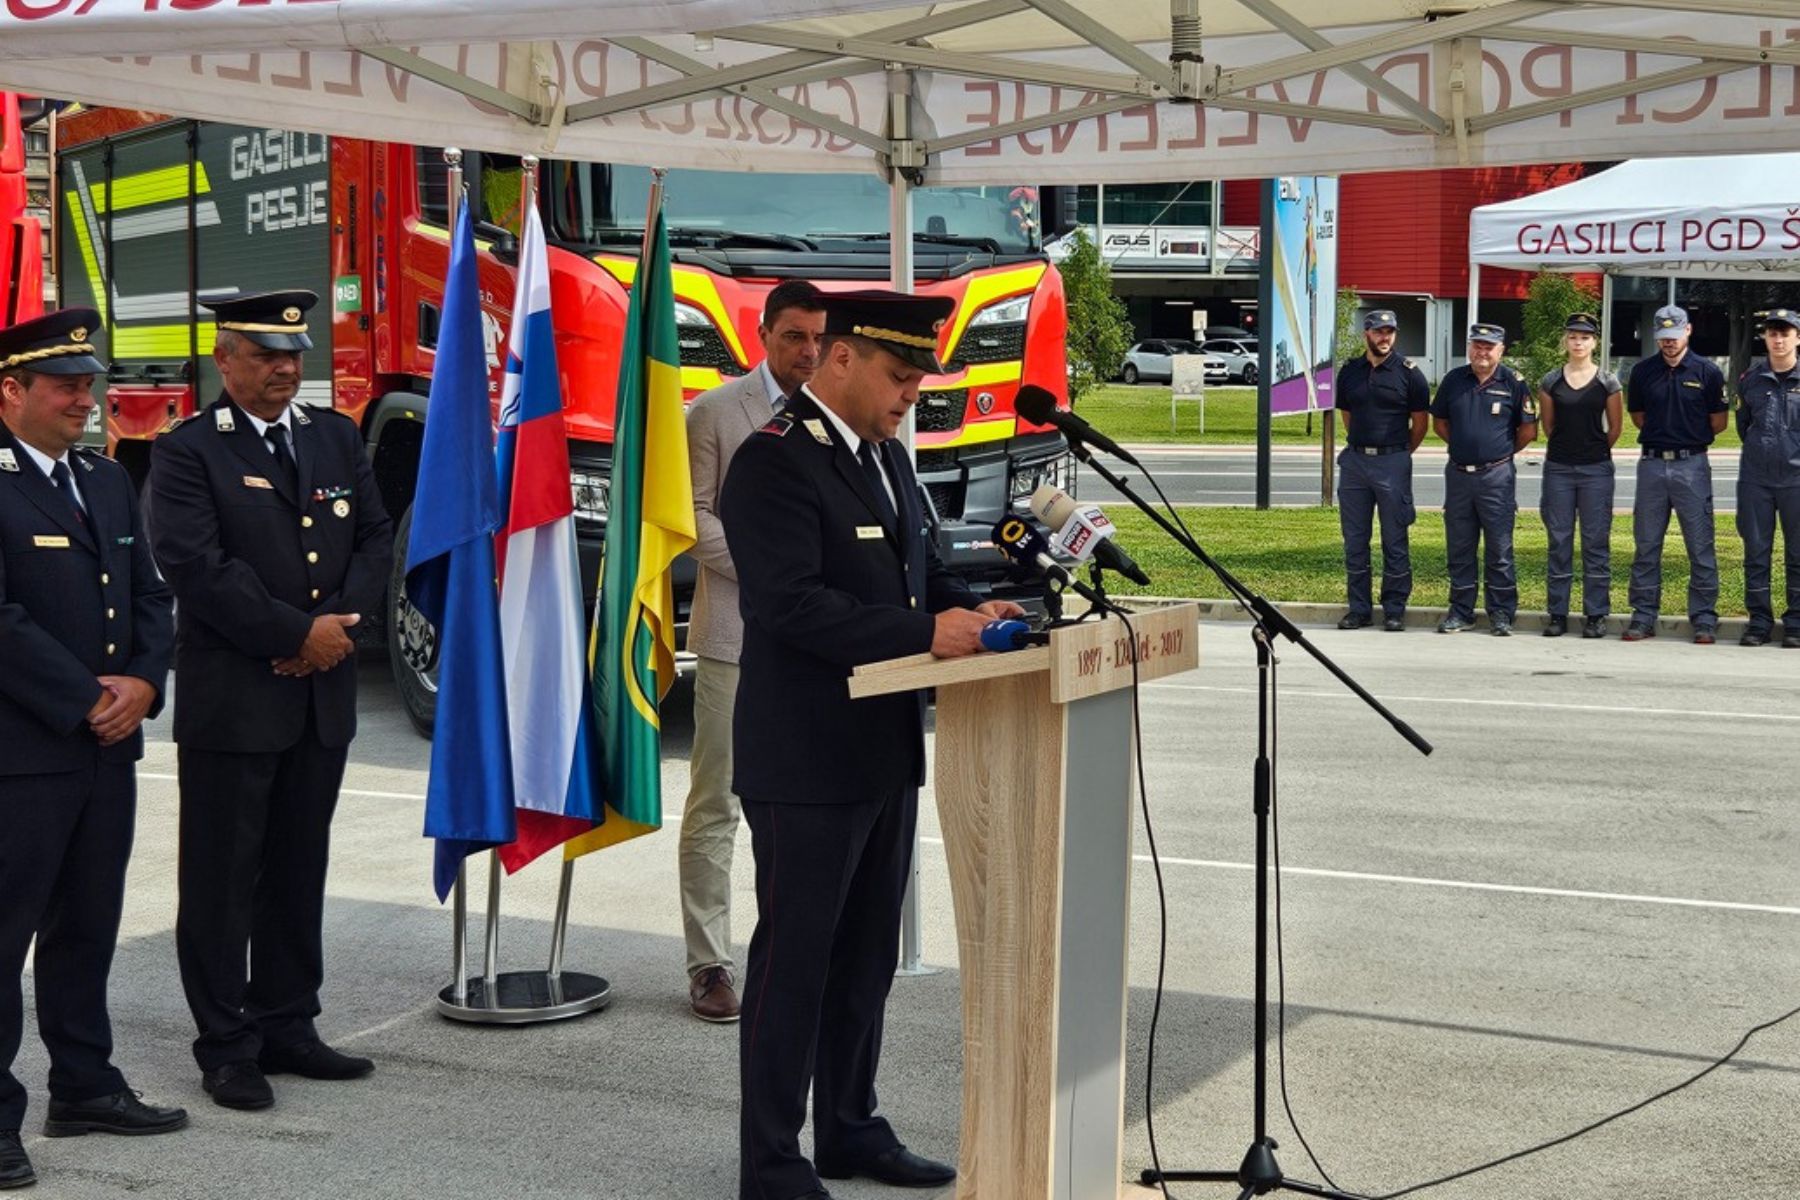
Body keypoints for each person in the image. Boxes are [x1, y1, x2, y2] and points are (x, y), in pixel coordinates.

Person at [720, 290, 1021, 1200]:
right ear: (839, 360)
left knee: (864, 961)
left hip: (881, 749)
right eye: (898, 377)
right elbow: (791, 604)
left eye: (918, 381)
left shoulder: (887, 458)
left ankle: (849, 1127)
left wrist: (974, 608)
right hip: (804, 758)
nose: (909, 397)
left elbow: (915, 571)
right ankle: (771, 1159)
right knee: (795, 964)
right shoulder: (773, 464)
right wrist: (928, 634)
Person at [148, 291, 394, 1112]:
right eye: (264, 355)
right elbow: (196, 566)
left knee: (297, 867)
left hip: (319, 699)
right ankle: (226, 1046)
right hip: (238, 697)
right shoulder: (188, 453)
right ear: (225, 361)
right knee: (222, 880)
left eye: (294, 354)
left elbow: (373, 537)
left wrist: (337, 633)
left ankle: (288, 1021)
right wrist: (297, 635)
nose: (285, 368)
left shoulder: (333, 436)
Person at [0, 309, 186, 1189]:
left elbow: (151, 593)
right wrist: (86, 700)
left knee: (86, 929)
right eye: (66, 386)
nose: (85, 399)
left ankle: (82, 1084)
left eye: (88, 385)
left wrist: (144, 684)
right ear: (12, 392)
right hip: (24, 752)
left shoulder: (104, 482)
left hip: (106, 751)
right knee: (2, 940)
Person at [680, 279, 826, 1023]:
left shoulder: (836, 415)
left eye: (817, 339)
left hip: (817, 647)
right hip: (737, 636)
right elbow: (691, 516)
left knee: (803, 804)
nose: (807, 351)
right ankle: (709, 962)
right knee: (718, 801)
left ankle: (796, 949)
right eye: (793, 335)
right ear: (763, 334)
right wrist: (773, 569)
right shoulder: (714, 412)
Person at [1622, 304, 1727, 643]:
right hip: (1652, 465)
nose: (1669, 343)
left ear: (1688, 331)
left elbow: (1719, 422)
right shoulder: (1642, 372)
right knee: (1647, 544)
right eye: (1663, 337)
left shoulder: (1708, 372)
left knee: (1700, 545)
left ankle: (1704, 617)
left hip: (1692, 465)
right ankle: (1643, 615)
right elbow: (1638, 416)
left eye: (1675, 335)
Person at [1431, 323, 1538, 635]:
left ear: (1501, 350)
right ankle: (1461, 612)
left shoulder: (1514, 383)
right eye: (1477, 345)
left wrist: (1497, 454)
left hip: (1497, 477)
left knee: (1499, 549)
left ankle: (1501, 613)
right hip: (1459, 476)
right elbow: (1440, 423)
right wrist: (1465, 449)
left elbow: (1528, 431)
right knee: (1460, 548)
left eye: (1489, 346)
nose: (1482, 352)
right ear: (1469, 348)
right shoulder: (1453, 380)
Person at [1333, 309, 1430, 632]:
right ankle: (1359, 609)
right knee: (1355, 541)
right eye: (1379, 332)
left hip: (1393, 462)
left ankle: (1394, 609)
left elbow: (1420, 425)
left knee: (1395, 539)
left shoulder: (1409, 374)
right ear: (1367, 334)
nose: (1385, 337)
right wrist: (1365, 447)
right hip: (1356, 464)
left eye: (1390, 332)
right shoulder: (1349, 371)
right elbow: (1347, 415)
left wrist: (1397, 453)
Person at [1536, 313, 1623, 638]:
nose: (1578, 342)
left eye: (1585, 337)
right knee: (1559, 541)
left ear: (1594, 342)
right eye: (1573, 336)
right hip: (1559, 468)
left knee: (1595, 543)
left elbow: (1614, 429)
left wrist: (1592, 450)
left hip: (1596, 470)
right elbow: (1549, 427)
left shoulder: (1608, 382)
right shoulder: (1550, 382)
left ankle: (1595, 614)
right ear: (1565, 340)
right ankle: (1558, 613)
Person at [1733, 308, 1800, 648]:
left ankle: (1796, 624)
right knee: (1756, 552)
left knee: (1798, 554)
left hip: (1796, 480)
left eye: (1785, 333)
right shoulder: (1751, 380)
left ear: (1797, 338)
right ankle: (1758, 622)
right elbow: (1744, 427)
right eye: (1772, 333)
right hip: (1756, 480)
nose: (1777, 339)